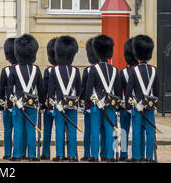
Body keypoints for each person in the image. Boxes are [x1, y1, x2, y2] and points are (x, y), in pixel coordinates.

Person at [8, 34, 46, 161]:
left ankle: (17, 155)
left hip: (18, 104)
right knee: (31, 130)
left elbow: (9, 89)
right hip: (32, 104)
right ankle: (32, 155)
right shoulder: (36, 69)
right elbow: (41, 89)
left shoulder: (14, 69)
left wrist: (9, 103)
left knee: (18, 130)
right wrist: (42, 104)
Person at [85, 34, 122, 162]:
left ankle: (94, 156)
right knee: (109, 131)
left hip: (96, 105)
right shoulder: (114, 69)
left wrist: (87, 104)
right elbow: (118, 91)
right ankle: (109, 156)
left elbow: (89, 89)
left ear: (97, 52)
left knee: (95, 131)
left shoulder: (93, 70)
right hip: (110, 106)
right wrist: (117, 105)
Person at [126, 34, 160, 163]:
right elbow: (157, 90)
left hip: (137, 104)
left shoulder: (134, 70)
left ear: (137, 54)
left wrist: (128, 103)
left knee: (137, 131)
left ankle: (136, 157)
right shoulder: (154, 70)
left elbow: (129, 89)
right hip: (150, 105)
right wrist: (155, 103)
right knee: (150, 131)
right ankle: (149, 157)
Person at [48, 35, 82, 162]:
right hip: (72, 104)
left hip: (58, 105)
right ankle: (72, 155)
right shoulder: (75, 71)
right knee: (72, 130)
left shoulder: (54, 71)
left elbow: (51, 90)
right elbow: (79, 89)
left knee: (59, 130)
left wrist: (51, 104)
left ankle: (60, 155)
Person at [80, 37, 98, 161]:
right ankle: (105, 154)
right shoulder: (111, 69)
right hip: (106, 104)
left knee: (89, 130)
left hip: (91, 104)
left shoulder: (88, 70)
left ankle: (88, 153)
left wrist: (84, 103)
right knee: (102, 131)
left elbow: (84, 89)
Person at [0, 37, 17, 160]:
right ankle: (19, 151)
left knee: (8, 130)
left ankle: (7, 152)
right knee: (18, 130)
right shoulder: (27, 69)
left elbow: (1, 90)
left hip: (7, 104)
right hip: (20, 105)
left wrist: (1, 105)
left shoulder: (5, 70)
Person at [40, 37, 57, 160]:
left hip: (48, 105)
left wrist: (42, 104)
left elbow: (44, 89)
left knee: (47, 131)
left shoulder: (48, 71)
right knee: (61, 131)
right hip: (63, 104)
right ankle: (62, 153)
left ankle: (46, 153)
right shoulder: (70, 70)